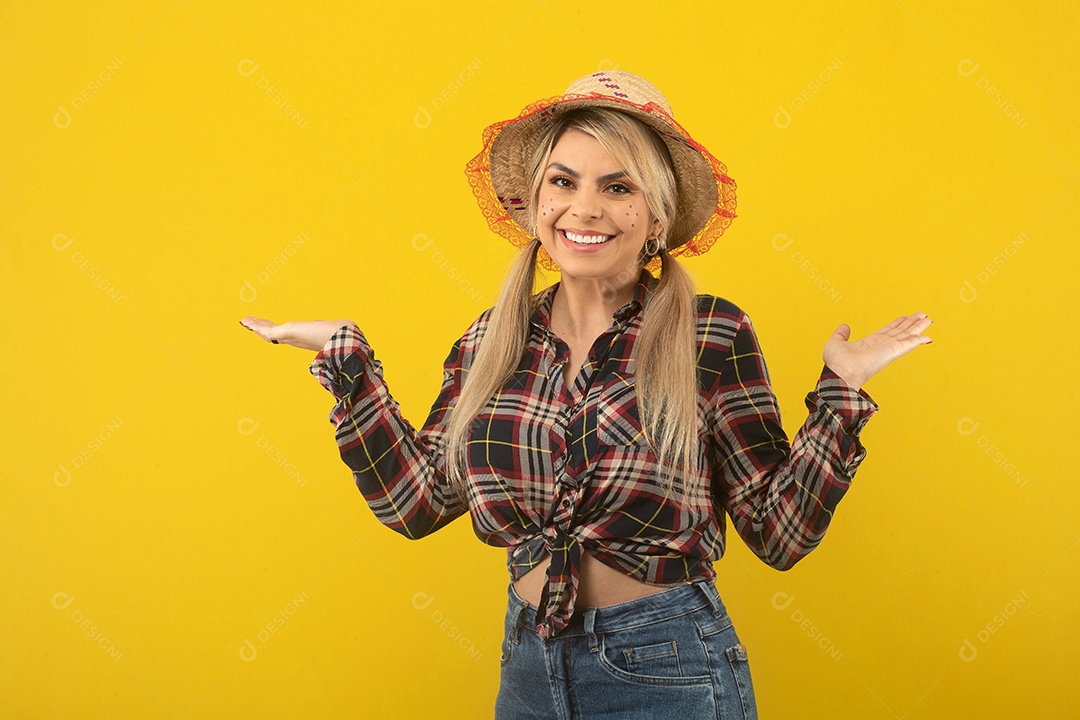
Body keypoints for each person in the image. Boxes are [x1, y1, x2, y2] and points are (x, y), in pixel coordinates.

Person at [240, 70, 932, 719]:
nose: (584, 208)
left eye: (618, 187)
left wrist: (842, 390)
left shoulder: (710, 334)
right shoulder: (491, 342)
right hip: (528, 666)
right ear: (535, 203)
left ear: (656, 216)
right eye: (563, 181)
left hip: (668, 669)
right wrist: (349, 363)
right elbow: (414, 504)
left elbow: (779, 534)